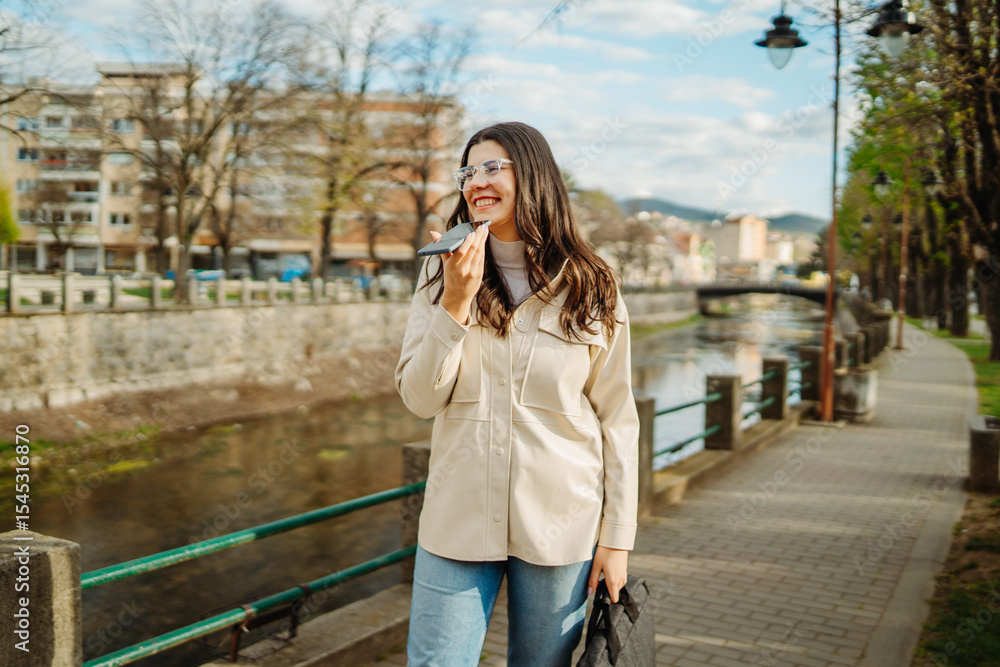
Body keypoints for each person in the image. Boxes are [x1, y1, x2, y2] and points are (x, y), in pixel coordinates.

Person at [395, 121, 640, 666]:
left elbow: (617, 417)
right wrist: (456, 303)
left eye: (492, 167)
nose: (477, 181)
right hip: (457, 518)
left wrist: (617, 537)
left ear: (532, 175)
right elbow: (418, 398)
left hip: (561, 524)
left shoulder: (593, 283)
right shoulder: (440, 271)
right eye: (468, 170)